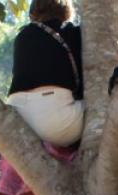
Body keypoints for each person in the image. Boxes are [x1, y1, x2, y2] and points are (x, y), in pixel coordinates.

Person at [7, 0, 84, 147]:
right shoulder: (73, 32)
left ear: (32, 14)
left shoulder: (22, 35)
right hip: (54, 120)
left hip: (17, 114)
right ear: (67, 10)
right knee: (102, 108)